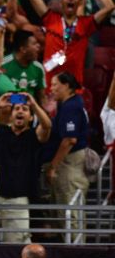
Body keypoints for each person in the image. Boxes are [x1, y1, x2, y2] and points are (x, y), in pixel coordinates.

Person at [0, 93, 51, 243]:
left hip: (19, 199)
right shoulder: (0, 132)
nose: (20, 111)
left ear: (31, 117)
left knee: (16, 244)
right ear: (10, 115)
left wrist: (34, 105)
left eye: (25, 109)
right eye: (17, 109)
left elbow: (47, 125)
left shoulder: (34, 136)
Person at [44, 72, 89, 240]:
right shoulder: (66, 105)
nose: (52, 88)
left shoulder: (71, 106)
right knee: (64, 212)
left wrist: (53, 166)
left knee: (71, 212)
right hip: (67, 162)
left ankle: (76, 255)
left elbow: (69, 140)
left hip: (70, 163)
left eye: (55, 85)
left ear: (67, 86)